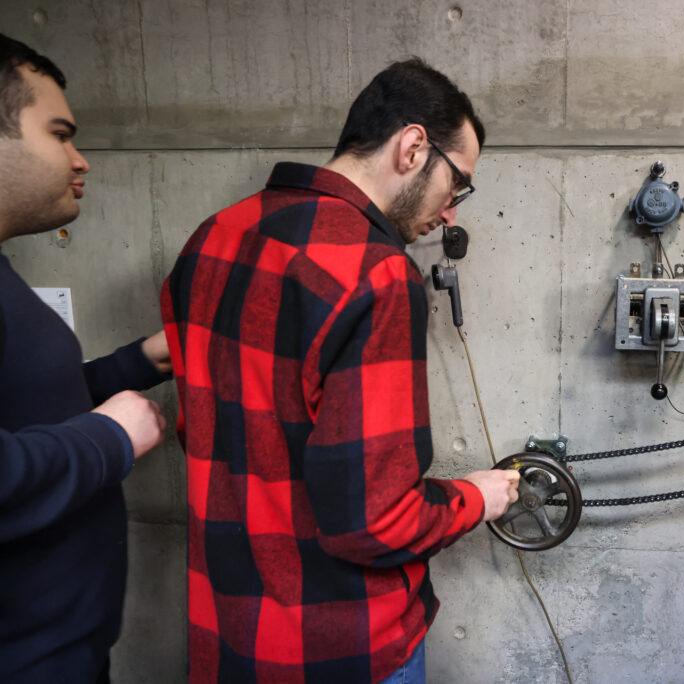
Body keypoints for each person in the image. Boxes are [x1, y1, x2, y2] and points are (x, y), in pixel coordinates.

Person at [162, 57, 520, 683]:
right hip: (340, 649)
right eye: (457, 184)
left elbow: (206, 438)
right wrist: (474, 499)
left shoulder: (210, 239)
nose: (450, 213)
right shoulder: (376, 273)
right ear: (413, 148)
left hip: (227, 637)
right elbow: (375, 522)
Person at [0, 34, 171, 683]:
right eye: (59, 133)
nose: (81, 160)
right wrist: (109, 440)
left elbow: (28, 411)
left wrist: (140, 363)